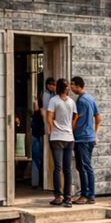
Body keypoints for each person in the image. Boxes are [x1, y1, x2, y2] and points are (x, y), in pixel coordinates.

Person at [70, 76, 101, 204]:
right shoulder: (90, 98)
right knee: (86, 166)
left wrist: (70, 131)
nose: (71, 88)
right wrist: (95, 134)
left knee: (83, 167)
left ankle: (86, 195)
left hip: (82, 138)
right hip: (89, 137)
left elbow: (76, 120)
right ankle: (90, 195)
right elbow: (99, 118)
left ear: (78, 86)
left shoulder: (82, 101)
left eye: (72, 85)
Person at [45, 78, 76, 207]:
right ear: (67, 88)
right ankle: (68, 198)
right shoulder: (71, 102)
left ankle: (58, 196)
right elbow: (75, 116)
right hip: (69, 137)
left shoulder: (53, 100)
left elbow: (49, 117)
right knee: (67, 169)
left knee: (57, 168)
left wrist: (52, 129)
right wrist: (70, 128)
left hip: (57, 137)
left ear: (57, 88)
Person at [29, 96, 46, 188]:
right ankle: (37, 182)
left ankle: (37, 182)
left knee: (37, 159)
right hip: (38, 136)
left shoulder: (40, 114)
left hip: (39, 136)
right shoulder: (37, 114)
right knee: (37, 159)